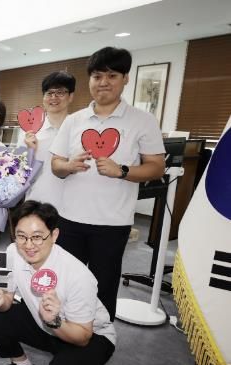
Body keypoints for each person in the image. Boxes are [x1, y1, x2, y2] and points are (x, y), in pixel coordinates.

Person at [50, 47, 166, 320]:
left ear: (125, 79)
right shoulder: (74, 120)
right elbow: (56, 165)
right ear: (89, 79)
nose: (103, 82)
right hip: (70, 219)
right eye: (97, 76)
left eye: (112, 76)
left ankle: (100, 337)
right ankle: (64, 333)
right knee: (66, 284)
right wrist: (68, 166)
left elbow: (156, 166)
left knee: (103, 287)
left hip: (112, 223)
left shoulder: (142, 120)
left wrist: (121, 171)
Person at [0, 201, 116, 365]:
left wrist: (54, 322)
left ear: (54, 235)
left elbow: (83, 337)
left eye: (37, 237)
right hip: (44, 323)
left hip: (89, 336)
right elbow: (7, 299)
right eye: (21, 236)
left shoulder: (78, 275)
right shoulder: (13, 252)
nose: (28, 245)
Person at [23, 71, 76, 211]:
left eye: (60, 92)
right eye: (49, 93)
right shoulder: (30, 132)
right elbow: (19, 173)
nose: (54, 97)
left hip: (71, 207)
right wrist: (29, 151)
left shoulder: (79, 130)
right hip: (36, 202)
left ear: (71, 96)